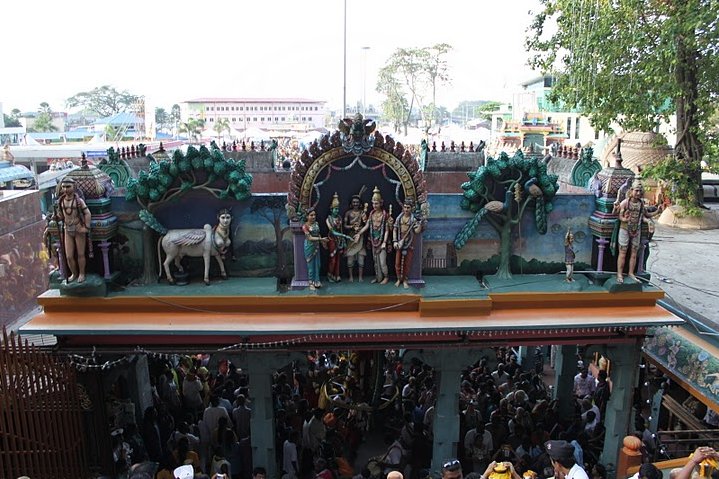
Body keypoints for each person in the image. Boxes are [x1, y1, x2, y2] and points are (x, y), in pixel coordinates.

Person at [614, 179, 663, 284]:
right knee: (622, 252)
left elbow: (646, 215)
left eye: (640, 191)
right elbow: (619, 216)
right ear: (631, 190)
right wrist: (624, 219)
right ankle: (619, 273)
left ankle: (631, 273)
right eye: (636, 190)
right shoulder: (625, 203)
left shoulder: (641, 204)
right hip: (625, 229)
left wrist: (657, 211)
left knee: (634, 253)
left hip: (636, 229)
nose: (638, 193)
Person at [56, 177, 92, 283]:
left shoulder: (78, 201)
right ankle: (74, 273)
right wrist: (56, 216)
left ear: (74, 187)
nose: (66, 189)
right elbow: (60, 215)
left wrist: (85, 227)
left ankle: (82, 273)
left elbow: (87, 213)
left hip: (78, 229)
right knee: (69, 256)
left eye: (68, 187)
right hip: (67, 229)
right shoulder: (61, 201)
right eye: (63, 187)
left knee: (80, 254)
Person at [359, 186, 392, 284]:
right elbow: (367, 226)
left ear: (381, 203)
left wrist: (384, 242)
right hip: (374, 241)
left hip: (382, 241)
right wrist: (359, 233)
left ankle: (386, 277)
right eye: (373, 203)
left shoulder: (384, 215)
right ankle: (378, 277)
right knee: (375, 262)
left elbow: (386, 231)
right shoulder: (371, 214)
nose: (374, 205)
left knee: (382, 262)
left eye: (376, 203)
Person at [393, 198, 425, 288]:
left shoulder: (413, 220)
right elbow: (395, 229)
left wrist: (419, 225)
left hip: (409, 243)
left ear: (411, 208)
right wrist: (395, 241)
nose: (406, 209)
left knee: (407, 263)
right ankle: (399, 278)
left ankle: (405, 280)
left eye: (408, 207)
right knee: (397, 263)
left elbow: (417, 231)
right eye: (405, 207)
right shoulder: (399, 218)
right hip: (399, 242)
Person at [343, 193, 367, 282]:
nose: (355, 204)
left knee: (361, 258)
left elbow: (366, 224)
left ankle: (360, 277)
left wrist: (363, 222)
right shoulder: (348, 213)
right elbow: (345, 225)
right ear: (351, 203)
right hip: (351, 237)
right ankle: (351, 276)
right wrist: (352, 227)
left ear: (360, 203)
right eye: (354, 202)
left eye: (357, 202)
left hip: (360, 236)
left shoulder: (362, 212)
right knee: (350, 259)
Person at [326, 193, 349, 283]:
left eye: (338, 209)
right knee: (333, 259)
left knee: (338, 259)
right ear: (331, 209)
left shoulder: (339, 218)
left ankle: (337, 275)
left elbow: (341, 230)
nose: (336, 210)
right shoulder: (328, 219)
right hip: (332, 240)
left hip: (339, 241)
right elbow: (333, 231)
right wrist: (344, 236)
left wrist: (343, 241)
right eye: (335, 209)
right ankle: (329, 274)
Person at [303, 208, 328, 290]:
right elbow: (309, 238)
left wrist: (323, 243)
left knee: (317, 265)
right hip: (309, 247)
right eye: (311, 215)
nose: (313, 217)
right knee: (310, 266)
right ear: (307, 216)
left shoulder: (316, 223)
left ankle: (317, 281)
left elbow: (318, 234)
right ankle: (311, 283)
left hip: (317, 247)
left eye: (314, 215)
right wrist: (321, 240)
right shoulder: (305, 226)